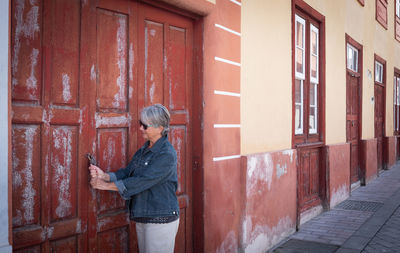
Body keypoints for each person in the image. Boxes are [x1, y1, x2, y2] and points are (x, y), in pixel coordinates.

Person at [89, 104, 179, 253]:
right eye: (140, 124)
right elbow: (128, 172)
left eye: (145, 125)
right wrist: (104, 175)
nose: (141, 129)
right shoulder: (144, 149)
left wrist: (105, 186)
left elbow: (142, 181)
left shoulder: (167, 154)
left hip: (161, 218)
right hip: (144, 215)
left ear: (160, 128)